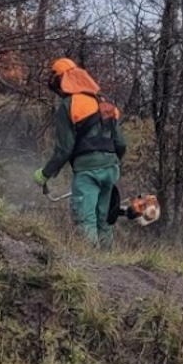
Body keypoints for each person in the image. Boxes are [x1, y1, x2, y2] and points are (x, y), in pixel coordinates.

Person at [33, 58, 127, 249]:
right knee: (105, 220)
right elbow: (121, 143)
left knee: (85, 220)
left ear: (62, 80)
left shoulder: (69, 105)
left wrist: (45, 173)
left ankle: (90, 268)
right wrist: (110, 163)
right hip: (110, 170)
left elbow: (64, 149)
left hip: (87, 171)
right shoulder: (105, 104)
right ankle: (111, 267)